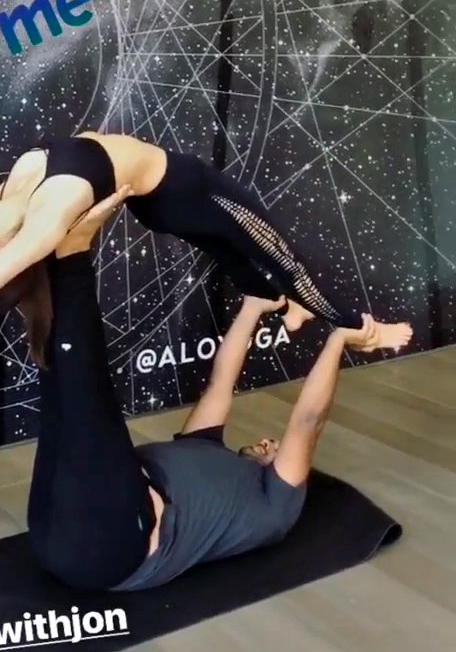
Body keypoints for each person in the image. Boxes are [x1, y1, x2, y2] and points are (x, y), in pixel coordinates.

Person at [0, 132, 411, 419]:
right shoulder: (44, 221)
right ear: (5, 257)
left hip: (155, 201)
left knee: (233, 251)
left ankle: (287, 304)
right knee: (282, 252)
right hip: (182, 190)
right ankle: (358, 326)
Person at [25, 189, 386, 591]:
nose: (270, 441)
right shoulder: (206, 447)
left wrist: (338, 340)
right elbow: (221, 382)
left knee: (86, 396)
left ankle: (70, 254)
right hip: (56, 532)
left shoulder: (276, 505)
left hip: (113, 548)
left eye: (275, 448)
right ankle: (50, 254)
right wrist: (253, 308)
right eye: (274, 442)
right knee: (57, 381)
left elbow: (307, 420)